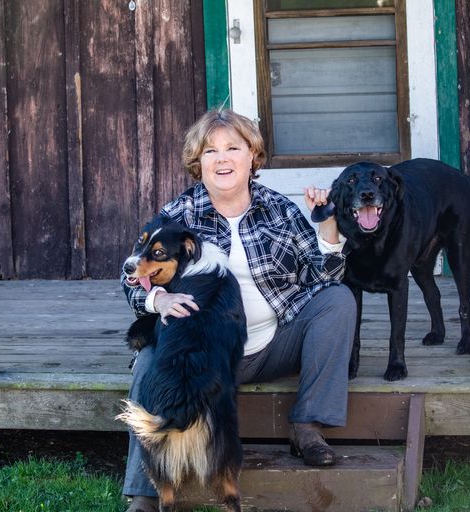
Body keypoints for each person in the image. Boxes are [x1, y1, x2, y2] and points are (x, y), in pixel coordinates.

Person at [120, 109, 356, 512]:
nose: (222, 158)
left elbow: (324, 277)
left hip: (271, 344)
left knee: (338, 301)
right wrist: (158, 299)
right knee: (147, 359)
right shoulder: (176, 216)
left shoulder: (279, 210)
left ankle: (306, 426)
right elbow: (128, 279)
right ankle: (143, 493)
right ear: (199, 163)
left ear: (252, 157)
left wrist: (329, 228)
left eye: (233, 148)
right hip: (204, 354)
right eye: (210, 151)